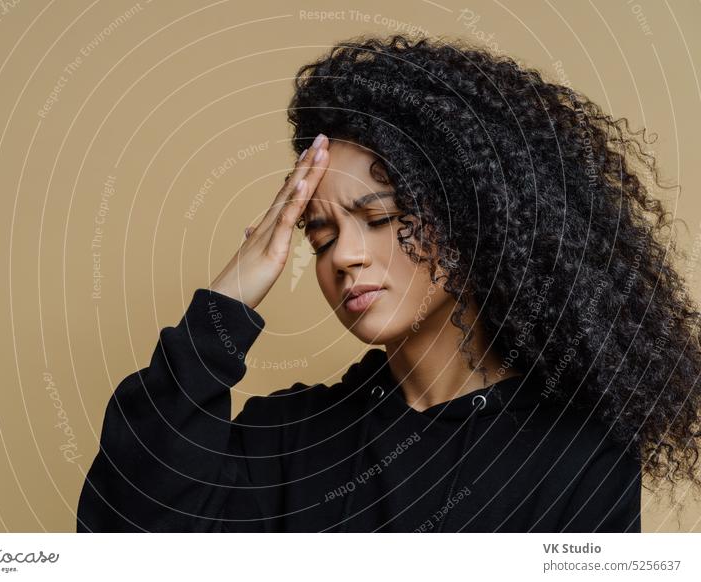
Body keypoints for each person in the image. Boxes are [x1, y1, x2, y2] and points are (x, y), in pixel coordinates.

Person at [76, 34, 701, 533]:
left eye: (377, 218)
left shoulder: (575, 456)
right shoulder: (288, 440)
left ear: (468, 216)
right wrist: (225, 302)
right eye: (319, 237)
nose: (344, 255)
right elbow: (126, 533)